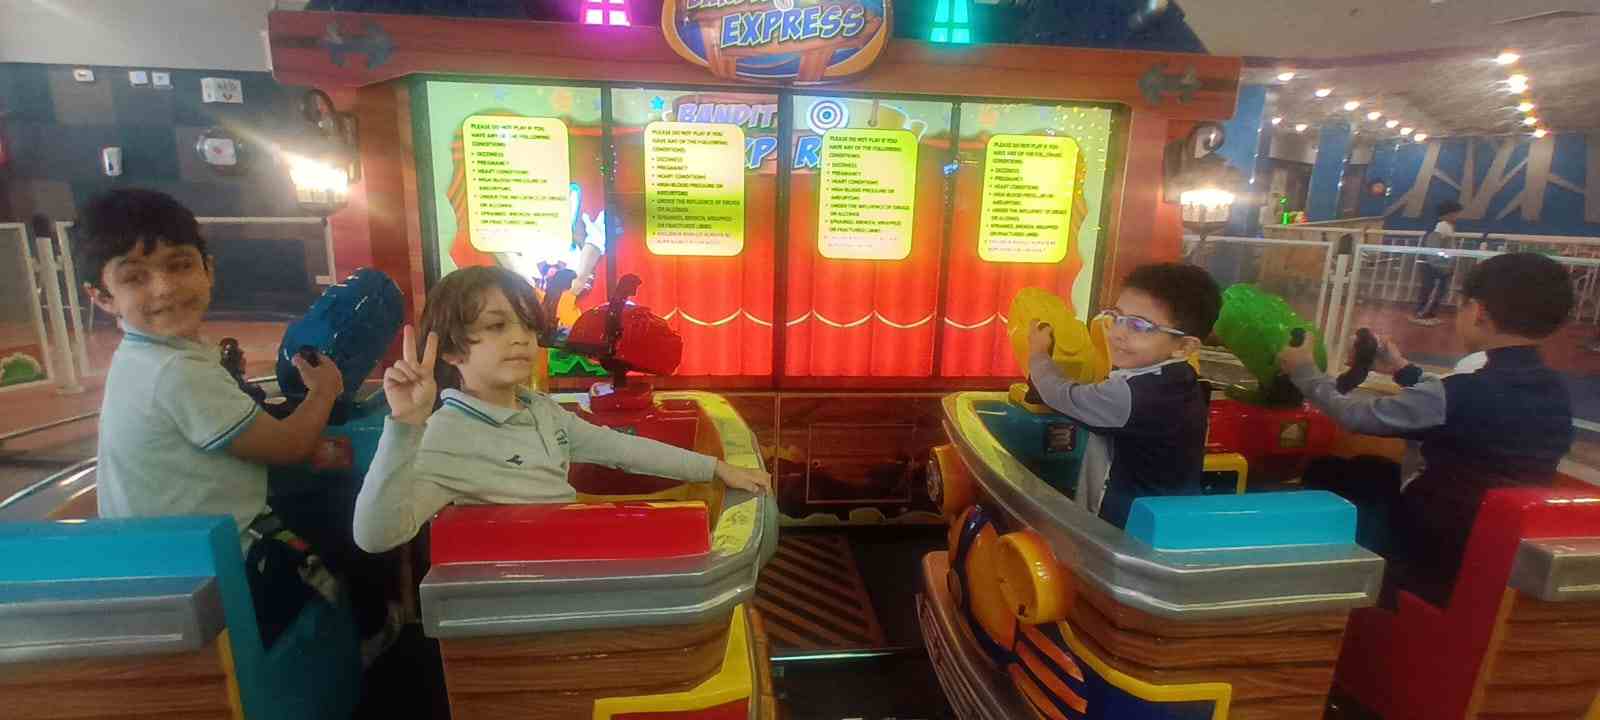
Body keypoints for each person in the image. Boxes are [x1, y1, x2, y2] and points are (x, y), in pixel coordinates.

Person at [77, 189, 376, 651]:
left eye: (179, 265)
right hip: (220, 570)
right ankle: (369, 642)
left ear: (208, 269)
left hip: (161, 560)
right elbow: (289, 447)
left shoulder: (145, 357)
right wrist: (324, 391)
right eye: (135, 277)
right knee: (354, 523)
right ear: (101, 296)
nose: (164, 288)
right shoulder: (176, 372)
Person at [352, 266, 771, 553]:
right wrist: (406, 424)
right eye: (497, 326)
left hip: (573, 561)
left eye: (527, 325)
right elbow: (375, 536)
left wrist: (716, 468)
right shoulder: (446, 435)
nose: (521, 338)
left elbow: (622, 450)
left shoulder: (540, 410)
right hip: (535, 595)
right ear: (451, 351)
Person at [1280, 252, 1574, 606]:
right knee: (1369, 469)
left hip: (1436, 540)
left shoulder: (1461, 393)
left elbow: (1357, 416)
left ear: (1478, 311)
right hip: (1499, 537)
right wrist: (1402, 369)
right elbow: (1454, 404)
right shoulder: (1555, 391)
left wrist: (1304, 372)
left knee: (1329, 471)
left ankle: (1346, 589)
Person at [1026, 264, 1221, 529]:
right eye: (1117, 317)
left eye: (1139, 326)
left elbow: (1059, 394)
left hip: (1125, 527)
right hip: (1171, 520)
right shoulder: (1181, 377)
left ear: (1184, 346)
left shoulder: (1132, 397)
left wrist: (1038, 354)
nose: (1118, 333)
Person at [1412, 200, 1463, 325]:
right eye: (1456, 213)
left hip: (1437, 265)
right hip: (1435, 266)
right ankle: (1422, 315)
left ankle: (1427, 315)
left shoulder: (1444, 226)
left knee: (1434, 290)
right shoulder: (1441, 226)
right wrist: (1441, 265)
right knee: (1432, 290)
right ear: (1449, 214)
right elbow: (1433, 248)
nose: (1458, 216)